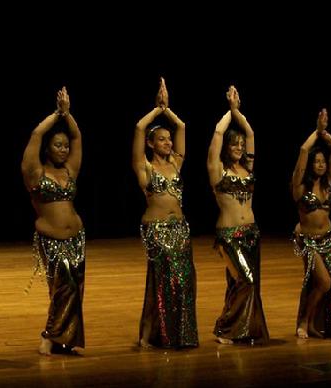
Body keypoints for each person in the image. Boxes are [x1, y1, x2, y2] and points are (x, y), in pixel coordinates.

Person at [132, 77, 198, 348]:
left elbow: (181, 126)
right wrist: (156, 110)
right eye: (162, 139)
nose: (168, 143)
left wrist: (168, 109)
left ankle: (178, 334)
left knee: (184, 281)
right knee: (162, 281)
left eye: (169, 139)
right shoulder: (144, 167)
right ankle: (151, 335)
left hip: (180, 229)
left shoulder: (176, 164)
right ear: (151, 143)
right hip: (156, 229)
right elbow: (139, 127)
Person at [21, 86, 86, 355]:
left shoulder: (70, 170)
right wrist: (56, 114)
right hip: (52, 239)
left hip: (77, 237)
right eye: (58, 145)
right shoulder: (35, 172)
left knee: (75, 290)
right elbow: (36, 133)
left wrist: (68, 114)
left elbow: (77, 135)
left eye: (65, 146)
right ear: (47, 148)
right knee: (63, 286)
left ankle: (65, 339)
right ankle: (49, 336)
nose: (63, 149)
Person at [207, 85, 268, 344]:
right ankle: (223, 327)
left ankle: (241, 329)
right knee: (247, 281)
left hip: (251, 234)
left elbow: (252, 133)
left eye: (241, 145)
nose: (239, 147)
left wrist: (238, 112)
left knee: (237, 285)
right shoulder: (217, 169)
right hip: (229, 236)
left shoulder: (248, 168)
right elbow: (218, 134)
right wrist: (229, 112)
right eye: (235, 144)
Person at [291, 108, 331, 339]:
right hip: (308, 241)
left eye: (323, 161)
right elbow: (303, 149)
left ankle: (310, 324)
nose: (321, 165)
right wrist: (317, 131)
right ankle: (304, 321)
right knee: (324, 282)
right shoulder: (300, 186)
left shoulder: (328, 183)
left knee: (317, 284)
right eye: (317, 161)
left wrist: (327, 135)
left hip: (327, 239)